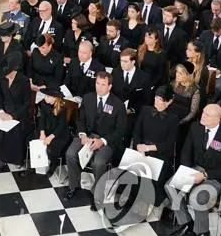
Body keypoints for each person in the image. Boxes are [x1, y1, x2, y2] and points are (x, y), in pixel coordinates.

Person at [166, 104, 221, 236]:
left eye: (207, 115)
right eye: (203, 112)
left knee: (197, 197)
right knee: (170, 186)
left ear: (217, 119)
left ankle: (202, 233)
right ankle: (187, 223)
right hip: (195, 169)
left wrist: (205, 175)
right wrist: (186, 171)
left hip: (215, 177)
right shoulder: (195, 128)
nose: (202, 116)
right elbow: (186, 152)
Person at [63, 72, 127, 206]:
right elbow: (80, 120)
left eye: (103, 84)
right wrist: (82, 135)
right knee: (70, 154)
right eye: (97, 83)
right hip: (87, 135)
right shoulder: (87, 98)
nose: (99, 87)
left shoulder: (118, 104)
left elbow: (120, 131)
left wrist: (102, 141)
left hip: (106, 140)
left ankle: (98, 194)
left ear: (109, 86)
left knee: (98, 163)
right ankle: (73, 186)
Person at [132, 85, 178, 173]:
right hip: (140, 149)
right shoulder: (145, 110)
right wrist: (138, 146)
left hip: (159, 154)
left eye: (160, 99)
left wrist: (148, 148)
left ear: (168, 102)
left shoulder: (173, 119)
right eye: (156, 98)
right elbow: (136, 131)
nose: (156, 101)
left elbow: (169, 143)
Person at [34, 89, 72, 178]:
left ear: (55, 98)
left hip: (60, 133)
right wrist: (42, 132)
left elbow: (61, 126)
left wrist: (50, 137)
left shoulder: (62, 107)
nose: (45, 98)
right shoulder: (44, 103)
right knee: (36, 139)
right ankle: (38, 163)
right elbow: (42, 119)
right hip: (48, 129)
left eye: (48, 96)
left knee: (54, 146)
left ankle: (52, 166)